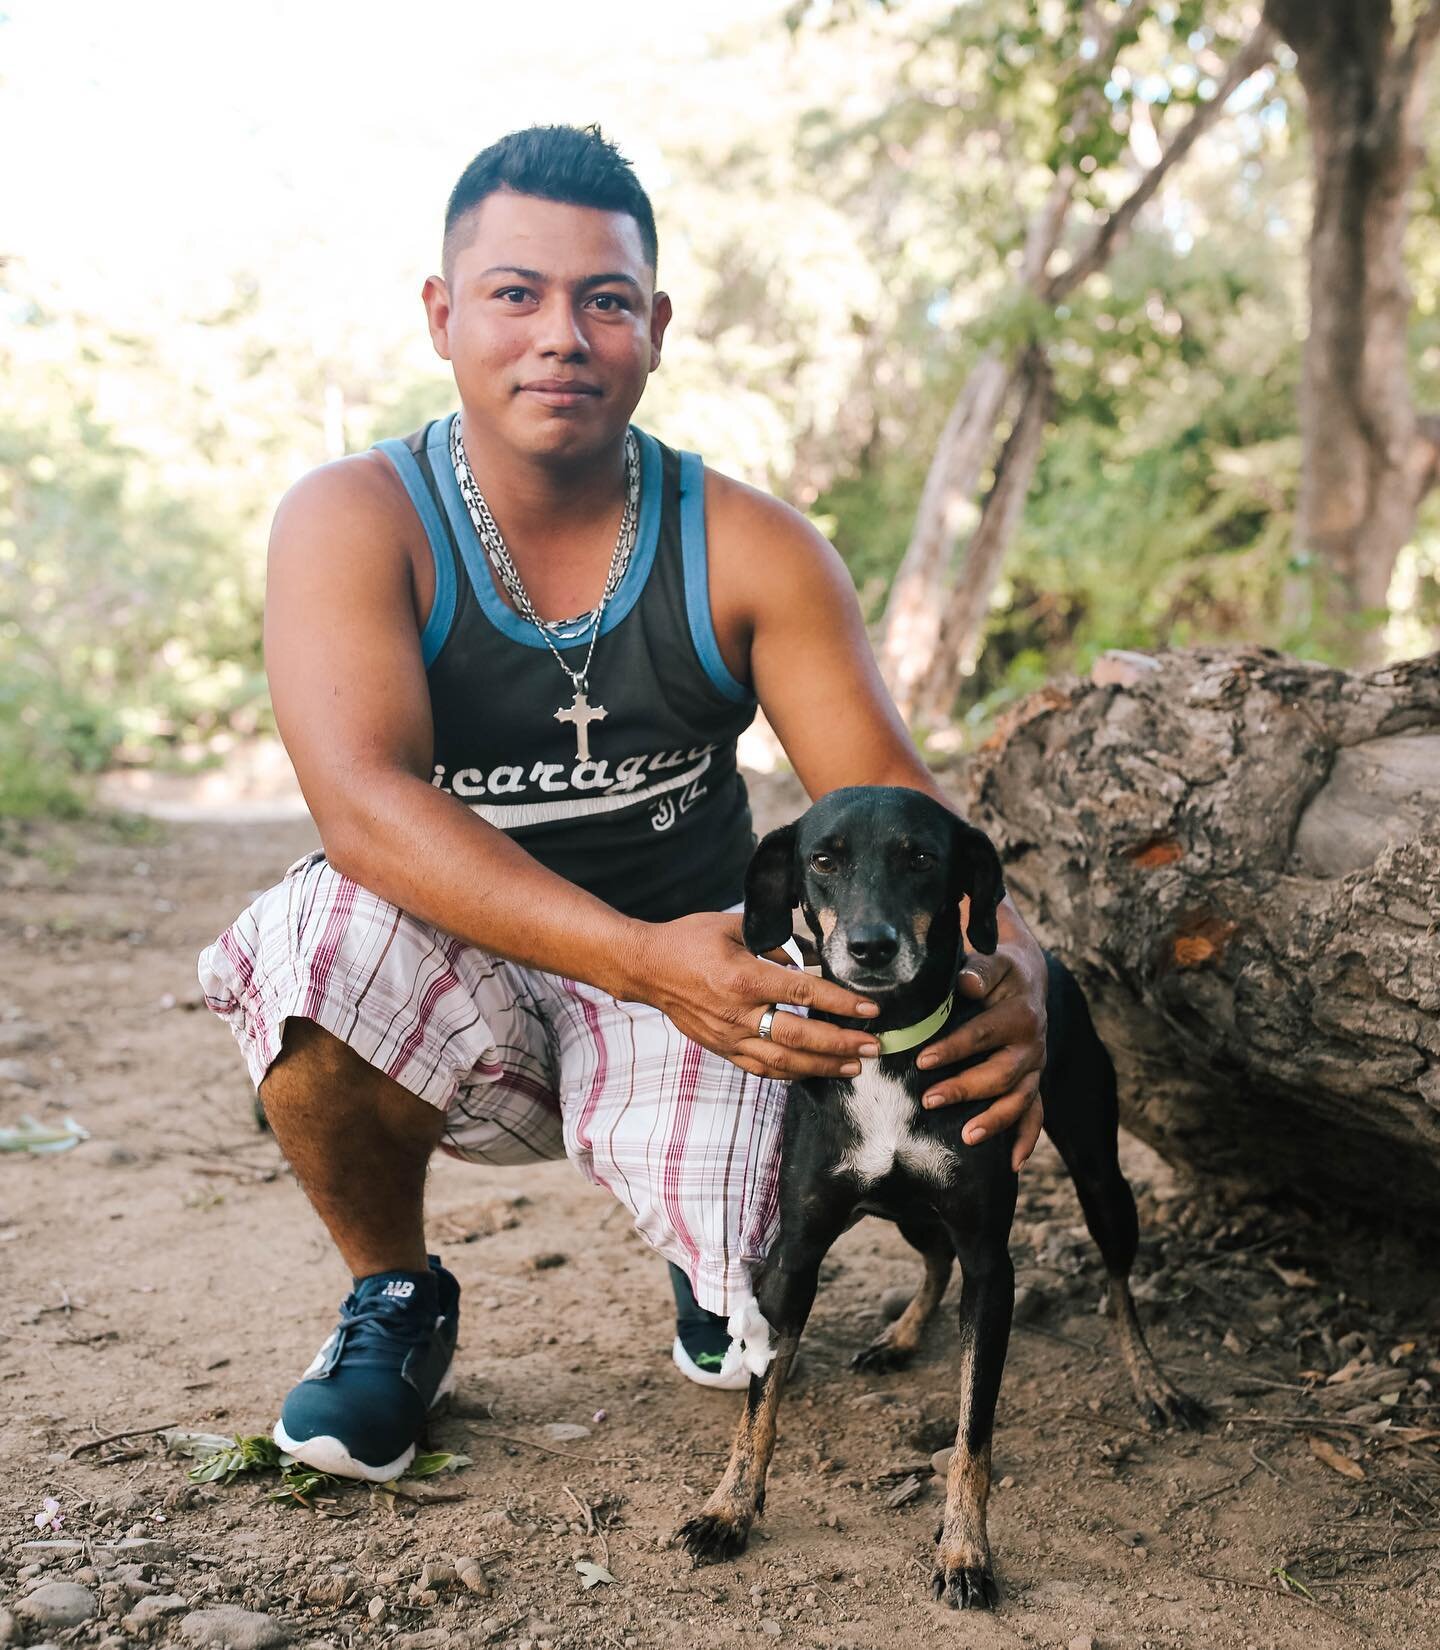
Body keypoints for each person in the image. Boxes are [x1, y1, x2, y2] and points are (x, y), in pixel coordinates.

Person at [199, 124, 1049, 1484]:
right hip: (481, 970)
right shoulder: (357, 515)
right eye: (515, 293)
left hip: (698, 970)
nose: (562, 334)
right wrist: (635, 958)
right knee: (316, 937)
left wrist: (1027, 983)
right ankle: (394, 1296)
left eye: (605, 299)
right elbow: (360, 802)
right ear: (442, 314)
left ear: (654, 325)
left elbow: (905, 816)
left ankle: (704, 1246)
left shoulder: (749, 543)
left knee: (744, 1322)